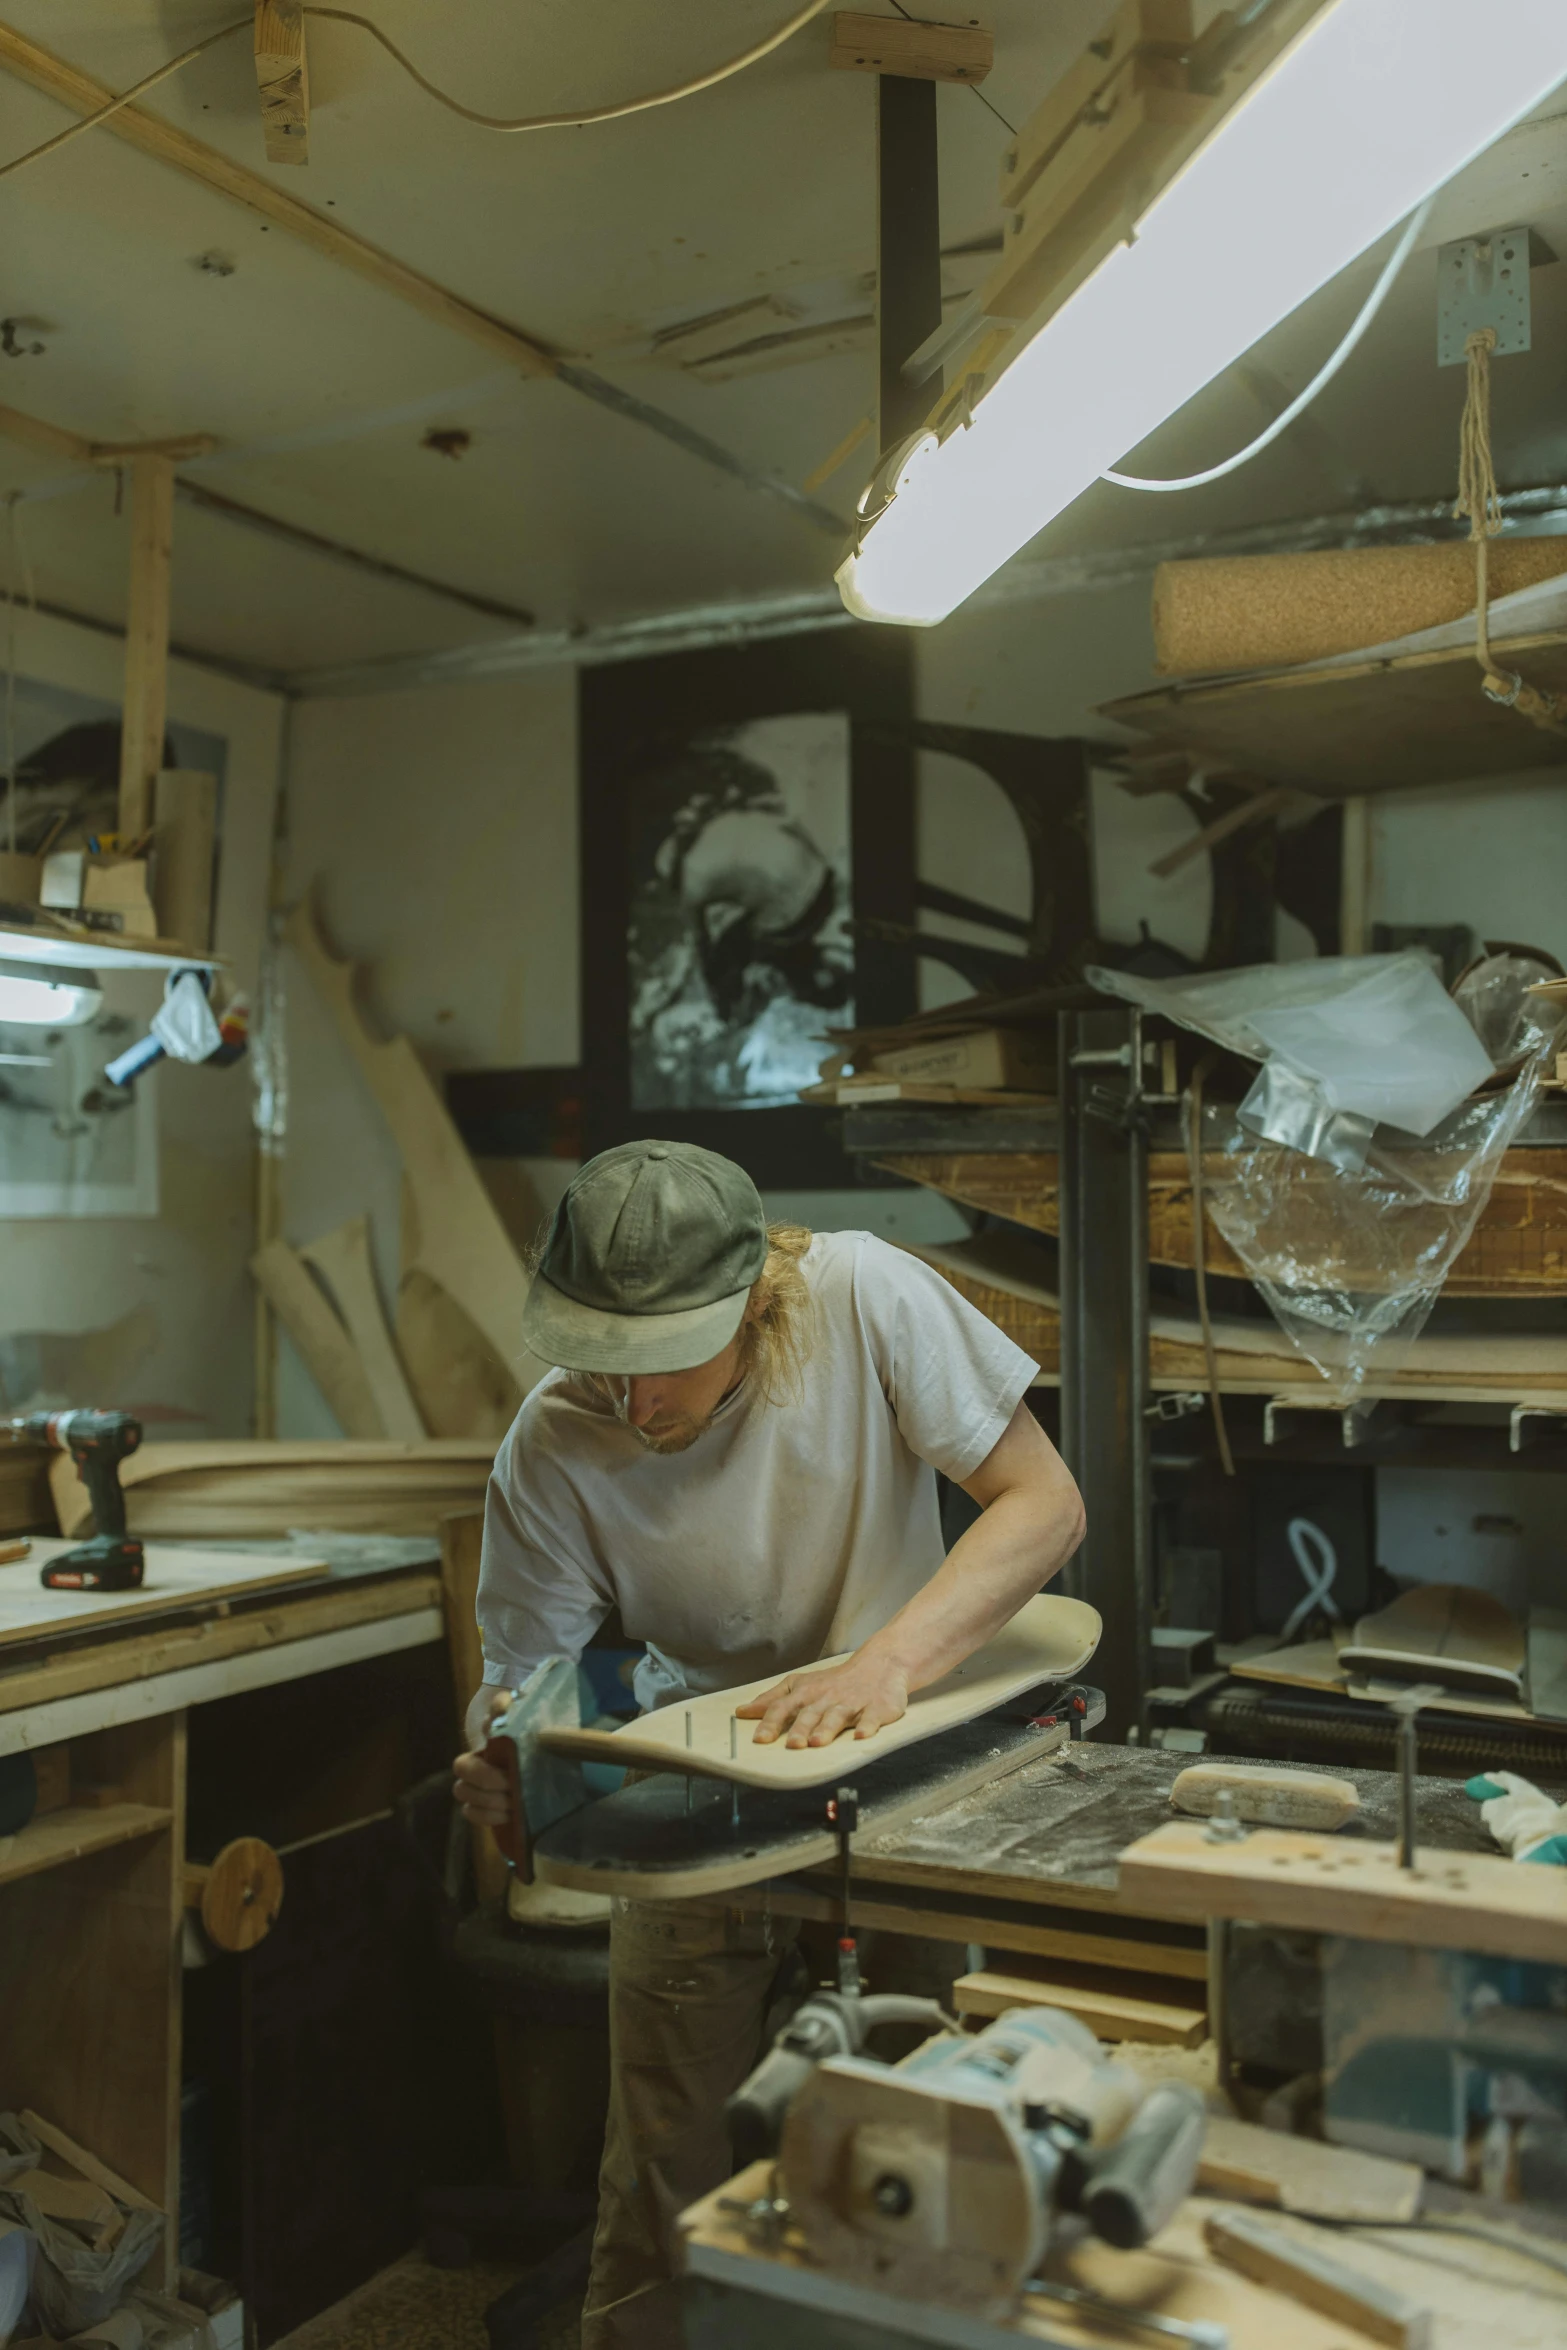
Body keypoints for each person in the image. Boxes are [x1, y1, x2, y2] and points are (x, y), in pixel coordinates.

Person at [453, 1139, 1085, 2346]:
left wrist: (888, 1660)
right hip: (701, 1789)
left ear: (754, 1298)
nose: (634, 1407)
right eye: (602, 1360)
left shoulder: (862, 1297)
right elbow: (522, 1685)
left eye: (663, 1361)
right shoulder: (550, 1444)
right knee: (664, 2178)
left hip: (906, 1761)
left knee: (926, 2153)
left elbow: (1043, 1501)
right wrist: (507, 1758)